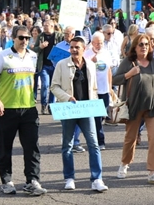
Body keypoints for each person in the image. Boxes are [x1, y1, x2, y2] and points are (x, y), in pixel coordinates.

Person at [0, 25, 47, 196]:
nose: (24, 41)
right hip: (8, 109)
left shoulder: (33, 56)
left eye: (27, 38)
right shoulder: (4, 56)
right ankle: (6, 180)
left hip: (28, 108)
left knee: (32, 147)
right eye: (21, 38)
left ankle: (32, 181)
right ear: (13, 38)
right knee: (5, 147)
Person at [50, 36, 109, 192]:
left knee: (93, 144)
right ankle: (69, 178)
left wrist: (96, 106)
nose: (74, 50)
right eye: (72, 47)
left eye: (77, 47)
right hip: (69, 109)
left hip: (87, 110)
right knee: (67, 145)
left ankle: (97, 179)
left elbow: (94, 88)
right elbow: (54, 87)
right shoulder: (62, 65)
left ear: (84, 49)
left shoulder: (90, 65)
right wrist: (67, 97)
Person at [113, 34, 154, 185]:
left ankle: (153, 172)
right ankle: (124, 164)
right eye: (140, 44)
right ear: (135, 47)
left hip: (153, 106)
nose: (144, 47)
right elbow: (115, 79)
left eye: (146, 44)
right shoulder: (128, 62)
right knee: (131, 138)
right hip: (134, 106)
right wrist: (129, 74)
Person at [84, 32, 112, 149]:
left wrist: (110, 88)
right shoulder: (86, 54)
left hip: (104, 89)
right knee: (96, 117)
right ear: (92, 43)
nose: (99, 45)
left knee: (101, 116)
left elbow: (109, 71)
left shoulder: (106, 53)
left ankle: (96, 139)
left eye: (101, 43)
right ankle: (99, 141)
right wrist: (91, 62)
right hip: (93, 90)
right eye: (96, 43)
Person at [32, 20, 64, 115]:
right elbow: (35, 49)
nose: (44, 27)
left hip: (55, 65)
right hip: (44, 65)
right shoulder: (40, 36)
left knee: (53, 87)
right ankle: (43, 105)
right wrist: (40, 47)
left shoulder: (59, 36)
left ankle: (51, 105)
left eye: (47, 25)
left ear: (52, 26)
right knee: (45, 85)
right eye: (44, 25)